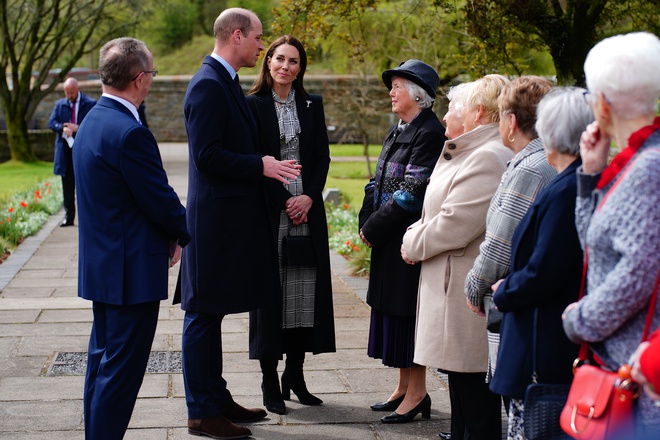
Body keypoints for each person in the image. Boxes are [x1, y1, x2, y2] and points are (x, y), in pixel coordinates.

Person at [178, 8, 301, 439]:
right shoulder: (208, 86)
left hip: (228, 221)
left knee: (209, 317)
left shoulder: (225, 81)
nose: (262, 45)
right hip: (214, 225)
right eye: (257, 38)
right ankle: (201, 412)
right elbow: (206, 156)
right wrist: (261, 165)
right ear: (236, 35)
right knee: (201, 317)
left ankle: (217, 398)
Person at [73, 37, 189, 440]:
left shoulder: (92, 120)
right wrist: (184, 231)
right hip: (130, 271)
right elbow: (158, 198)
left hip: (103, 266)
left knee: (102, 364)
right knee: (120, 374)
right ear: (140, 79)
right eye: (153, 74)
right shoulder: (129, 132)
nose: (153, 80)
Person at [401, 74, 513, 440]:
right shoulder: (472, 151)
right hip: (452, 287)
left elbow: (454, 223)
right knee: (463, 397)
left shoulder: (487, 157)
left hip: (463, 295)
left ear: (476, 113)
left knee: (475, 402)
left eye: (452, 108)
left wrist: (411, 242)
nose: (445, 116)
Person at [562, 31, 660, 437]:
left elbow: (639, 270)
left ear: (601, 101)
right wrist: (590, 172)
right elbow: (596, 246)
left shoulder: (648, 169)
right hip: (625, 369)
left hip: (636, 382)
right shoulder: (635, 161)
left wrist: (581, 320)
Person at [489, 87, 592, 439]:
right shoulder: (567, 183)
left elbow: (544, 270)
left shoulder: (566, 191)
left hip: (542, 339)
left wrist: (504, 291)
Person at [246, 35, 336, 415]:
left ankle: (295, 376)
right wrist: (285, 199)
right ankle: (269, 380)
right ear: (268, 62)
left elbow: (321, 156)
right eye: (280, 59)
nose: (286, 66)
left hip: (307, 210)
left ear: (301, 67)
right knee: (272, 296)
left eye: (294, 61)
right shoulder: (252, 105)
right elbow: (253, 160)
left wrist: (309, 197)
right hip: (271, 210)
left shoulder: (312, 104)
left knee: (305, 292)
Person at [356, 59, 446, 423]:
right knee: (393, 313)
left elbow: (412, 192)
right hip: (388, 237)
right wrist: (366, 220)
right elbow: (375, 181)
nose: (391, 92)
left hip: (406, 239)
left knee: (408, 316)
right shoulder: (400, 128)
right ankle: (403, 387)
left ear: (417, 94)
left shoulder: (429, 132)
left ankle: (418, 392)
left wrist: (374, 228)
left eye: (397, 86)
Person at [465, 76, 555, 386]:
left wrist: (475, 288)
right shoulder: (542, 160)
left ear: (512, 121)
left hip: (516, 303)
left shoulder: (530, 169)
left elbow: (501, 242)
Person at [47, 77, 96, 227]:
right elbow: (51, 123)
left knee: (85, 186)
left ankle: (88, 219)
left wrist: (78, 128)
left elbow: (94, 125)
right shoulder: (60, 105)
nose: (69, 96)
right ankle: (69, 217)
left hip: (83, 151)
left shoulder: (90, 104)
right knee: (67, 187)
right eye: (67, 93)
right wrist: (63, 127)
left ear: (78, 90)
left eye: (72, 92)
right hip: (65, 153)